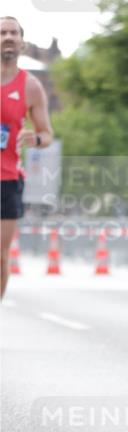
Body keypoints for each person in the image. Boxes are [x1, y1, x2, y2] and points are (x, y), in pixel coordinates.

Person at [1, 17, 54, 299]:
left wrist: (36, 138)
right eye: (2, 32)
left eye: (13, 33)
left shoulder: (31, 86)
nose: (8, 37)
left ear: (21, 42)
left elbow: (47, 134)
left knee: (0, 256)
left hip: (7, 180)